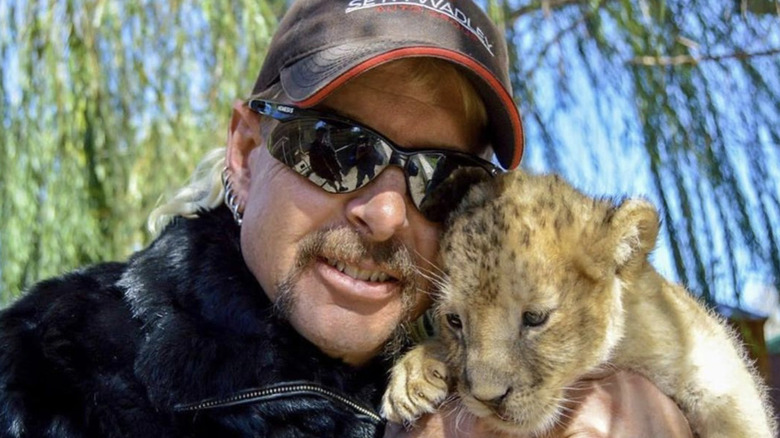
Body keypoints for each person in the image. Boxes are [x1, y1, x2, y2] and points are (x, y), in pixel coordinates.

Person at [0, 1, 693, 437]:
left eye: (445, 179)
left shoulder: (532, 392)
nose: (388, 213)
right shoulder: (42, 369)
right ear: (245, 152)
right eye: (336, 151)